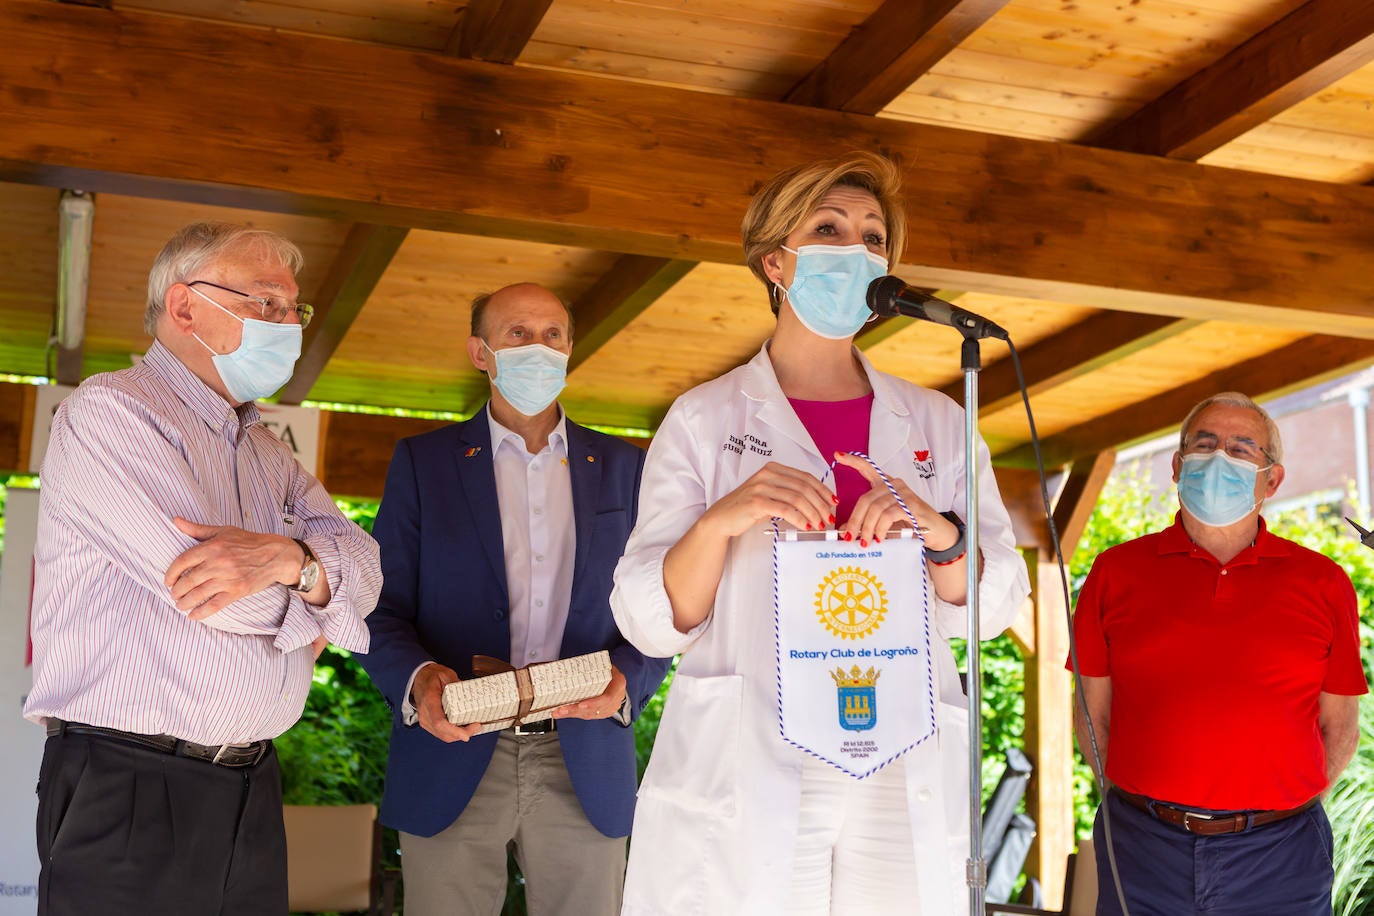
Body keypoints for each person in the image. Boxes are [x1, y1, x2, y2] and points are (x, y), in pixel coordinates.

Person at [609, 152, 1031, 915]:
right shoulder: (704, 419)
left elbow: (995, 602)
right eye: (830, 228)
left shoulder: (939, 422)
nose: (858, 249)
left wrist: (937, 530)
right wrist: (722, 519)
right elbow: (648, 619)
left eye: (874, 238)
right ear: (776, 262)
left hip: (899, 750)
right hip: (756, 750)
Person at [24, 222, 383, 915]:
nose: (287, 324)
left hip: (250, 784)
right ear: (185, 307)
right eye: (266, 303)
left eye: (293, 309)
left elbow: (364, 575)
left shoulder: (267, 451)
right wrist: (315, 589)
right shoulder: (112, 412)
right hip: (131, 785)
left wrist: (288, 561)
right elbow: (219, 598)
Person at [358, 282, 671, 916]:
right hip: (455, 743)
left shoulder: (626, 468)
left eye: (552, 335)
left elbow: (659, 608)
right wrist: (418, 682)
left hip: (583, 752)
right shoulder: (422, 463)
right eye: (518, 334)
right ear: (481, 352)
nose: (538, 347)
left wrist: (628, 682)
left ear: (570, 349)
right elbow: (378, 608)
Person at [1069, 392, 1367, 916]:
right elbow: (1092, 712)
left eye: (1241, 449)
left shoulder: (1323, 582)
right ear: (1178, 466)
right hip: (1142, 847)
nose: (1218, 458)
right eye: (1204, 445)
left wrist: (1283, 807)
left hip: (1282, 854)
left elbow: (1340, 726)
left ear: (1272, 480)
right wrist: (1141, 800)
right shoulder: (1114, 573)